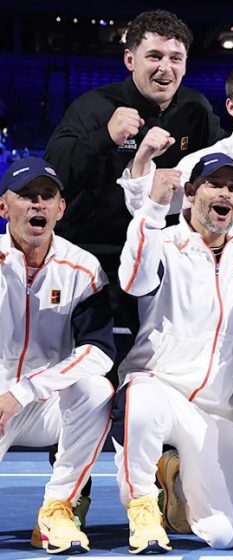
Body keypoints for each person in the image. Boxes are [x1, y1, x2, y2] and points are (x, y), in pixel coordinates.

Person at [113, 153, 233, 554]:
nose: (225, 194)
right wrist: (151, 208)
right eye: (214, 184)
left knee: (223, 535)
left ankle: (176, 485)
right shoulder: (162, 241)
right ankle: (143, 508)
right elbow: (132, 282)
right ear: (189, 193)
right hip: (159, 385)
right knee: (141, 401)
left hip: (215, 413)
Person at [44, 9, 225, 329]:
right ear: (130, 60)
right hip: (94, 255)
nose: (165, 68)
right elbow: (54, 178)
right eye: (154, 56)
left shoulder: (196, 109)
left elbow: (226, 162)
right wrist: (105, 138)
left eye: (175, 58)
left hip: (161, 254)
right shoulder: (94, 107)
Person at [0, 157, 115, 554]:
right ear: (3, 207)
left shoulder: (82, 268)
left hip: (47, 403)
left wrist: (28, 390)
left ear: (60, 209)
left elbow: (99, 351)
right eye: (27, 196)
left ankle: (57, 509)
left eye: (47, 197)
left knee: (96, 390)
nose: (38, 205)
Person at [118, 59, 233, 252]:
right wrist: (142, 161)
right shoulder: (203, 163)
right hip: (223, 279)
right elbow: (143, 209)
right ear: (231, 107)